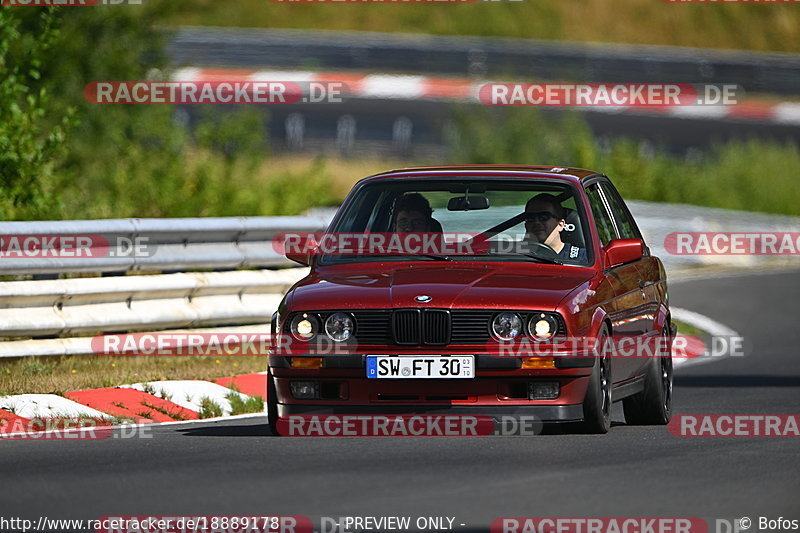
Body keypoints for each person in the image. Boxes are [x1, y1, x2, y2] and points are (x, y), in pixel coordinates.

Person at [524, 193, 587, 262]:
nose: (536, 222)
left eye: (544, 217)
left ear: (560, 225)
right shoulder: (518, 258)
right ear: (526, 225)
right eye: (530, 218)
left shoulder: (583, 258)